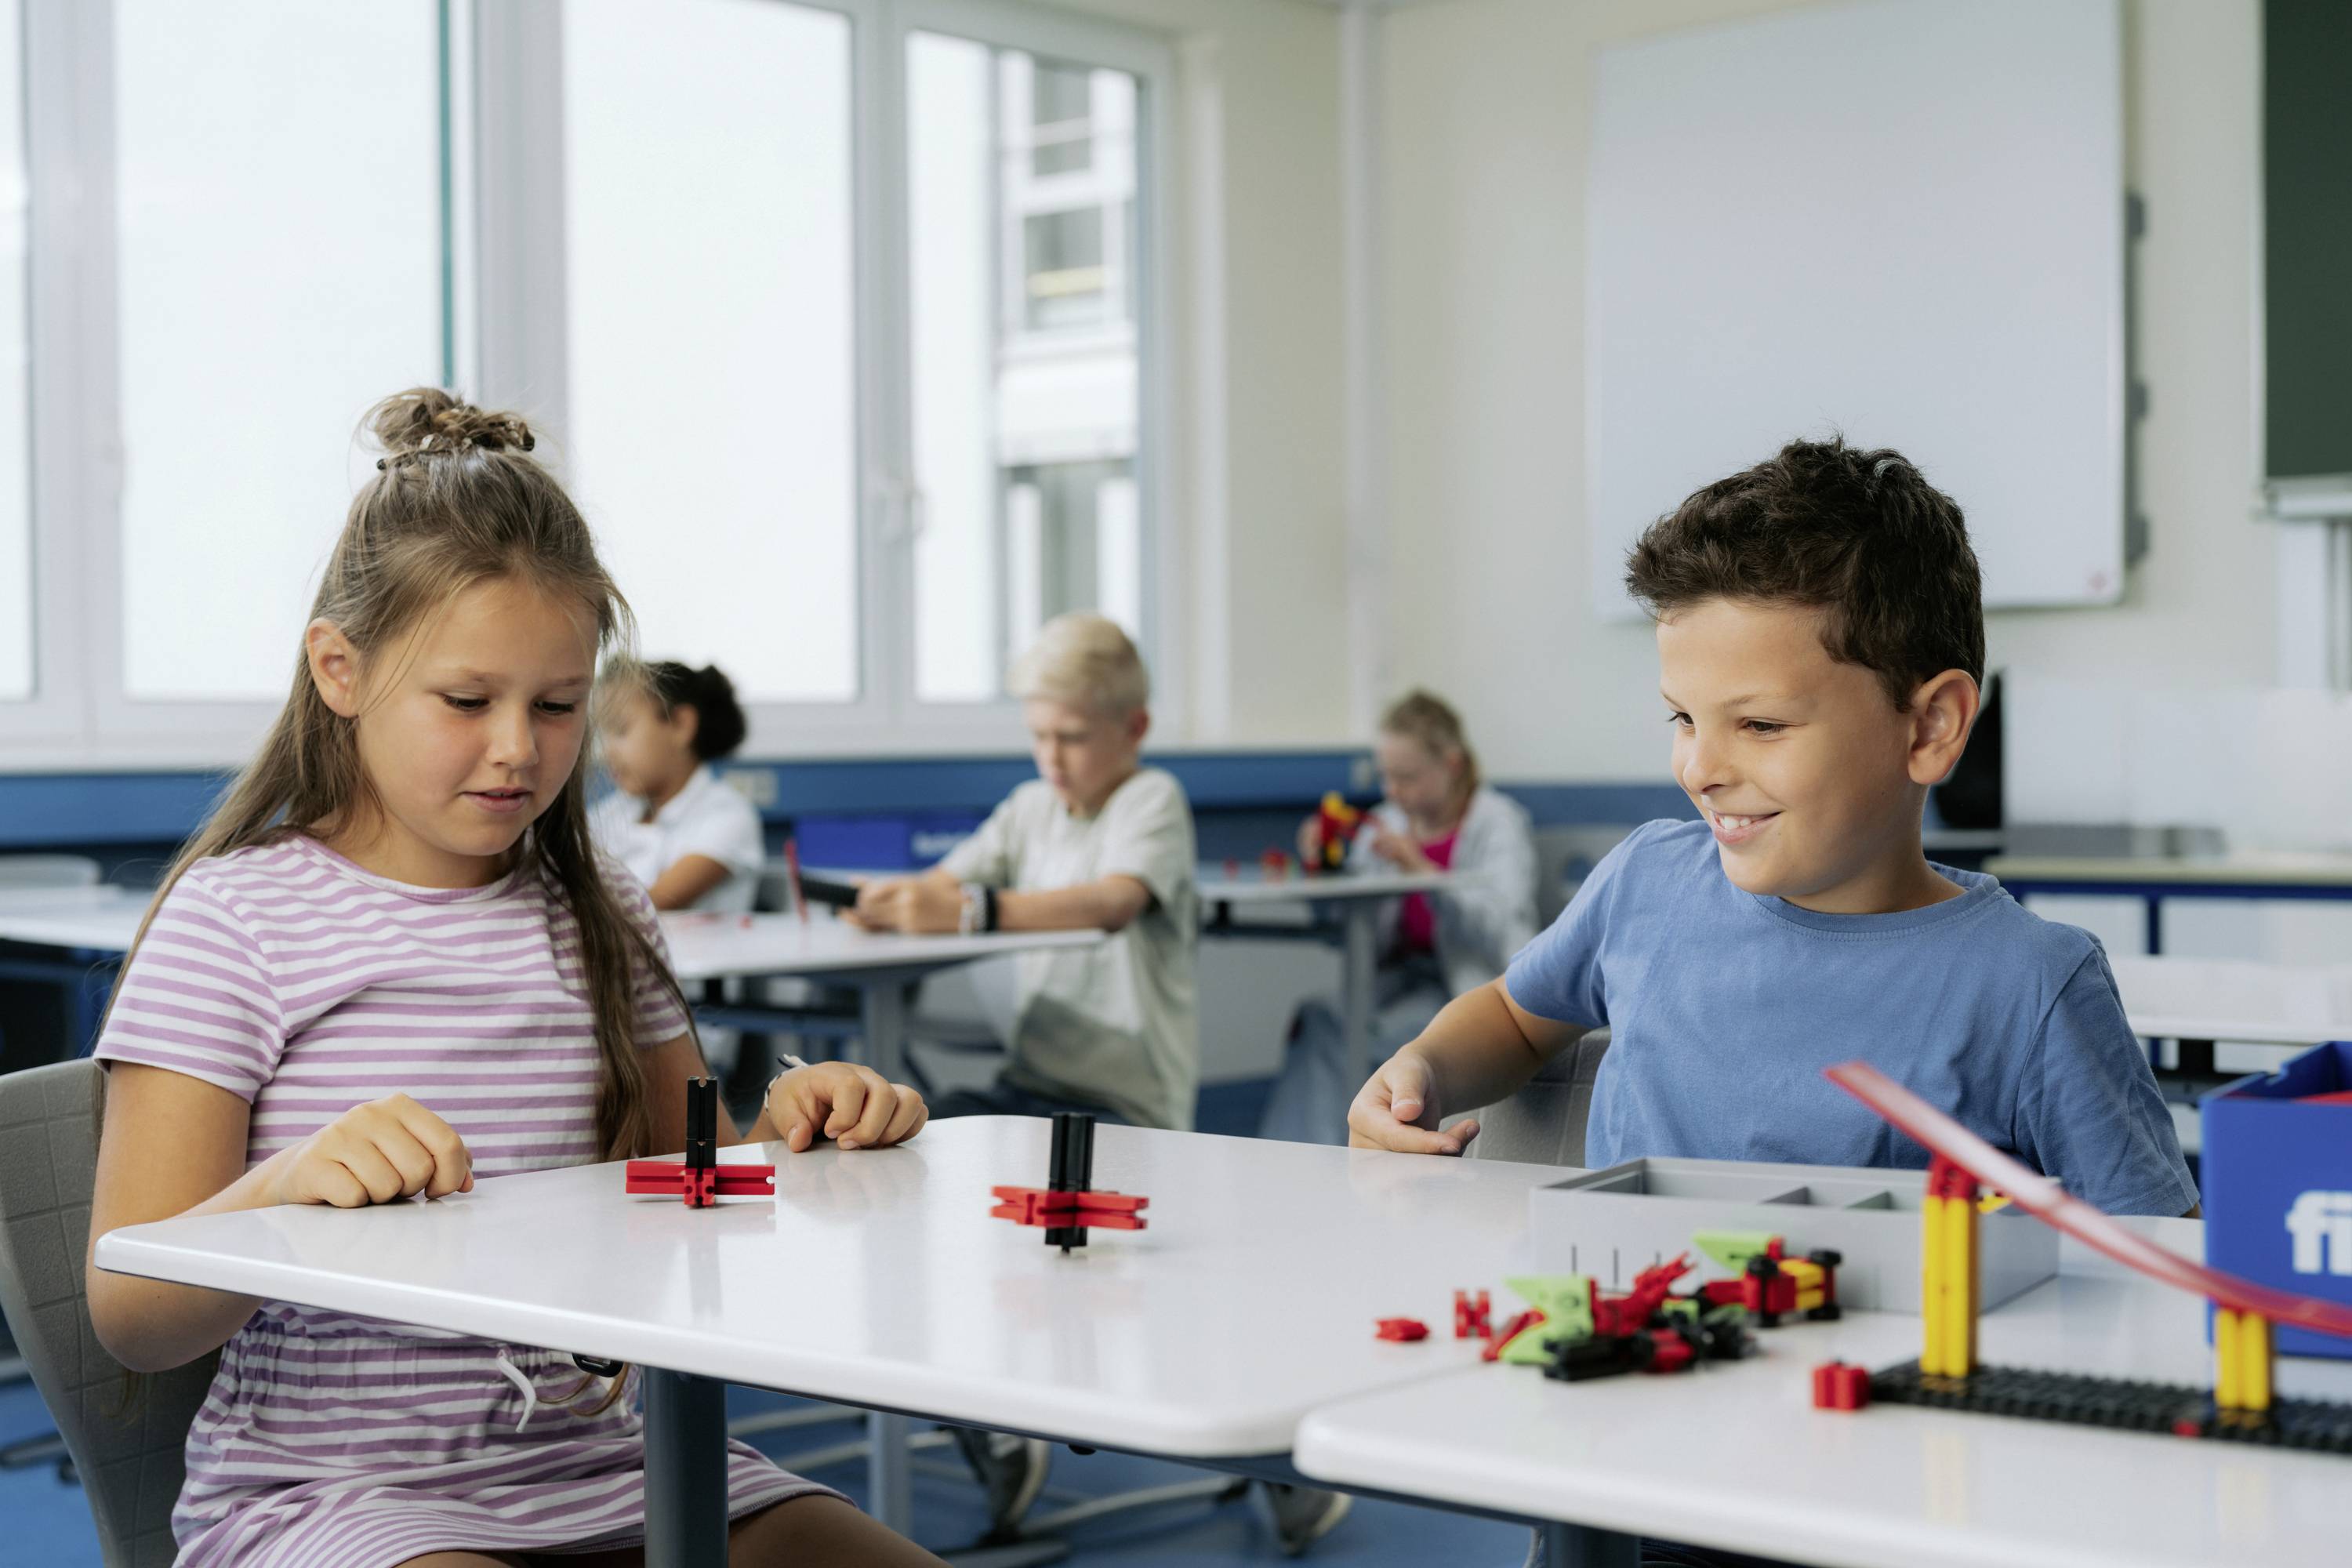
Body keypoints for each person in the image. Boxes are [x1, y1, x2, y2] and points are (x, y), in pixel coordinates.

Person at [82, 388, 941, 1568]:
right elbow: (130, 1316)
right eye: (465, 701)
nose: (517, 748)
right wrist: (281, 1192)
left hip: (619, 1465)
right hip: (336, 1497)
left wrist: (806, 1144)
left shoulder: (601, 910)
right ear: (340, 669)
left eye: (557, 706)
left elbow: (707, 1196)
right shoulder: (235, 920)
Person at [1348, 437, 2197, 1224]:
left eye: (1759, 725)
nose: (1700, 767)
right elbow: (1515, 1014)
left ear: (1931, 726)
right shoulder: (1646, 880)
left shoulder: (2032, 986)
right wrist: (1422, 1067)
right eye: (1683, 717)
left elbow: (2158, 1254)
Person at [851, 612, 1200, 1133]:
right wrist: (888, 901)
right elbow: (939, 886)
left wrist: (973, 911)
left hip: (1125, 1110)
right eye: (1038, 736)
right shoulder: (1031, 806)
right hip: (1028, 1089)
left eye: (1073, 738)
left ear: (1136, 728)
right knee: (901, 1145)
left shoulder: (1151, 799)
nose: (1050, 758)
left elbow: (1114, 902)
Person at [1257, 690, 1537, 1144]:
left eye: (1406, 777)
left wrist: (1423, 873)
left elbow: (1504, 931)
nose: (1392, 790)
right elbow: (1343, 928)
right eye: (1386, 776)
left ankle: (1357, 1150)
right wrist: (1324, 869)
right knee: (1319, 1017)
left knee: (1374, 1034)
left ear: (1452, 764)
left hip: (1463, 985)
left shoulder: (1498, 823)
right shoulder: (1384, 824)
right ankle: (1299, 1154)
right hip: (1395, 979)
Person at [593, 659, 764, 913]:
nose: (607, 752)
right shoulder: (610, 812)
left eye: (621, 730)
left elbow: (647, 907)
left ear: (682, 725)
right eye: (602, 734)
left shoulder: (728, 816)